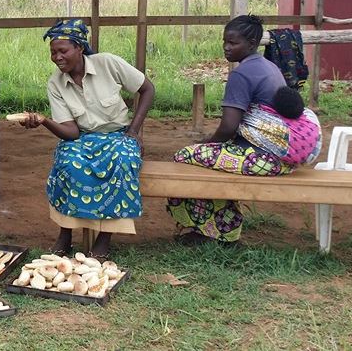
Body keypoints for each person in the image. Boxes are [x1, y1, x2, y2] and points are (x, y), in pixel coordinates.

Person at [167, 15, 322, 245]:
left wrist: (206, 143)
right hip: (283, 157)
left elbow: (229, 128)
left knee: (185, 157)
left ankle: (210, 232)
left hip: (264, 159)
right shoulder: (270, 66)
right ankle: (223, 230)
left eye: (233, 42)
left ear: (252, 43)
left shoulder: (241, 74)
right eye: (225, 41)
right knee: (213, 158)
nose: (226, 47)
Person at [19, 19, 155, 259]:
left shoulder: (108, 63)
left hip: (117, 134)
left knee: (123, 161)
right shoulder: (55, 83)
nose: (57, 57)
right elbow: (71, 132)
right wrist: (44, 121)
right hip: (81, 138)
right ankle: (65, 233)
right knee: (68, 164)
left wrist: (133, 131)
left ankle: (104, 238)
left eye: (63, 51)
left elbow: (147, 89)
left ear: (80, 47)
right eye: (53, 52)